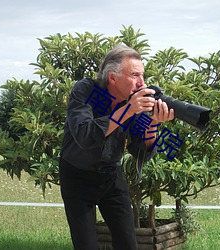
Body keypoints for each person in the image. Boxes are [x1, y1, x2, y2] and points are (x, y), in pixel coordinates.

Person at [59, 44, 174, 250]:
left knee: (128, 243)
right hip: (77, 177)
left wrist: (154, 123)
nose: (142, 83)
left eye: (143, 75)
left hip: (112, 176)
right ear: (112, 78)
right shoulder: (85, 90)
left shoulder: (133, 103)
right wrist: (128, 110)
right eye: (135, 75)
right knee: (85, 245)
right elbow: (84, 135)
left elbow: (140, 150)